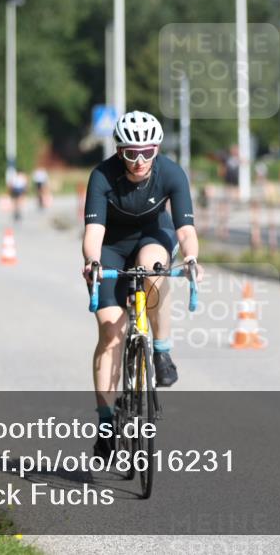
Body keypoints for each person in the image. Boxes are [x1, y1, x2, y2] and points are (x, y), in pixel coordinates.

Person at [81, 110, 203, 457]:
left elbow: (185, 230)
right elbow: (93, 233)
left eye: (147, 152)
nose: (139, 161)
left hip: (152, 235)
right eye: (130, 153)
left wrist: (192, 257)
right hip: (111, 245)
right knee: (110, 330)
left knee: (154, 268)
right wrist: (92, 262)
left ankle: (162, 352)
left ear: (157, 150)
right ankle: (105, 422)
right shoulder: (102, 176)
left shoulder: (171, 173)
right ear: (119, 151)